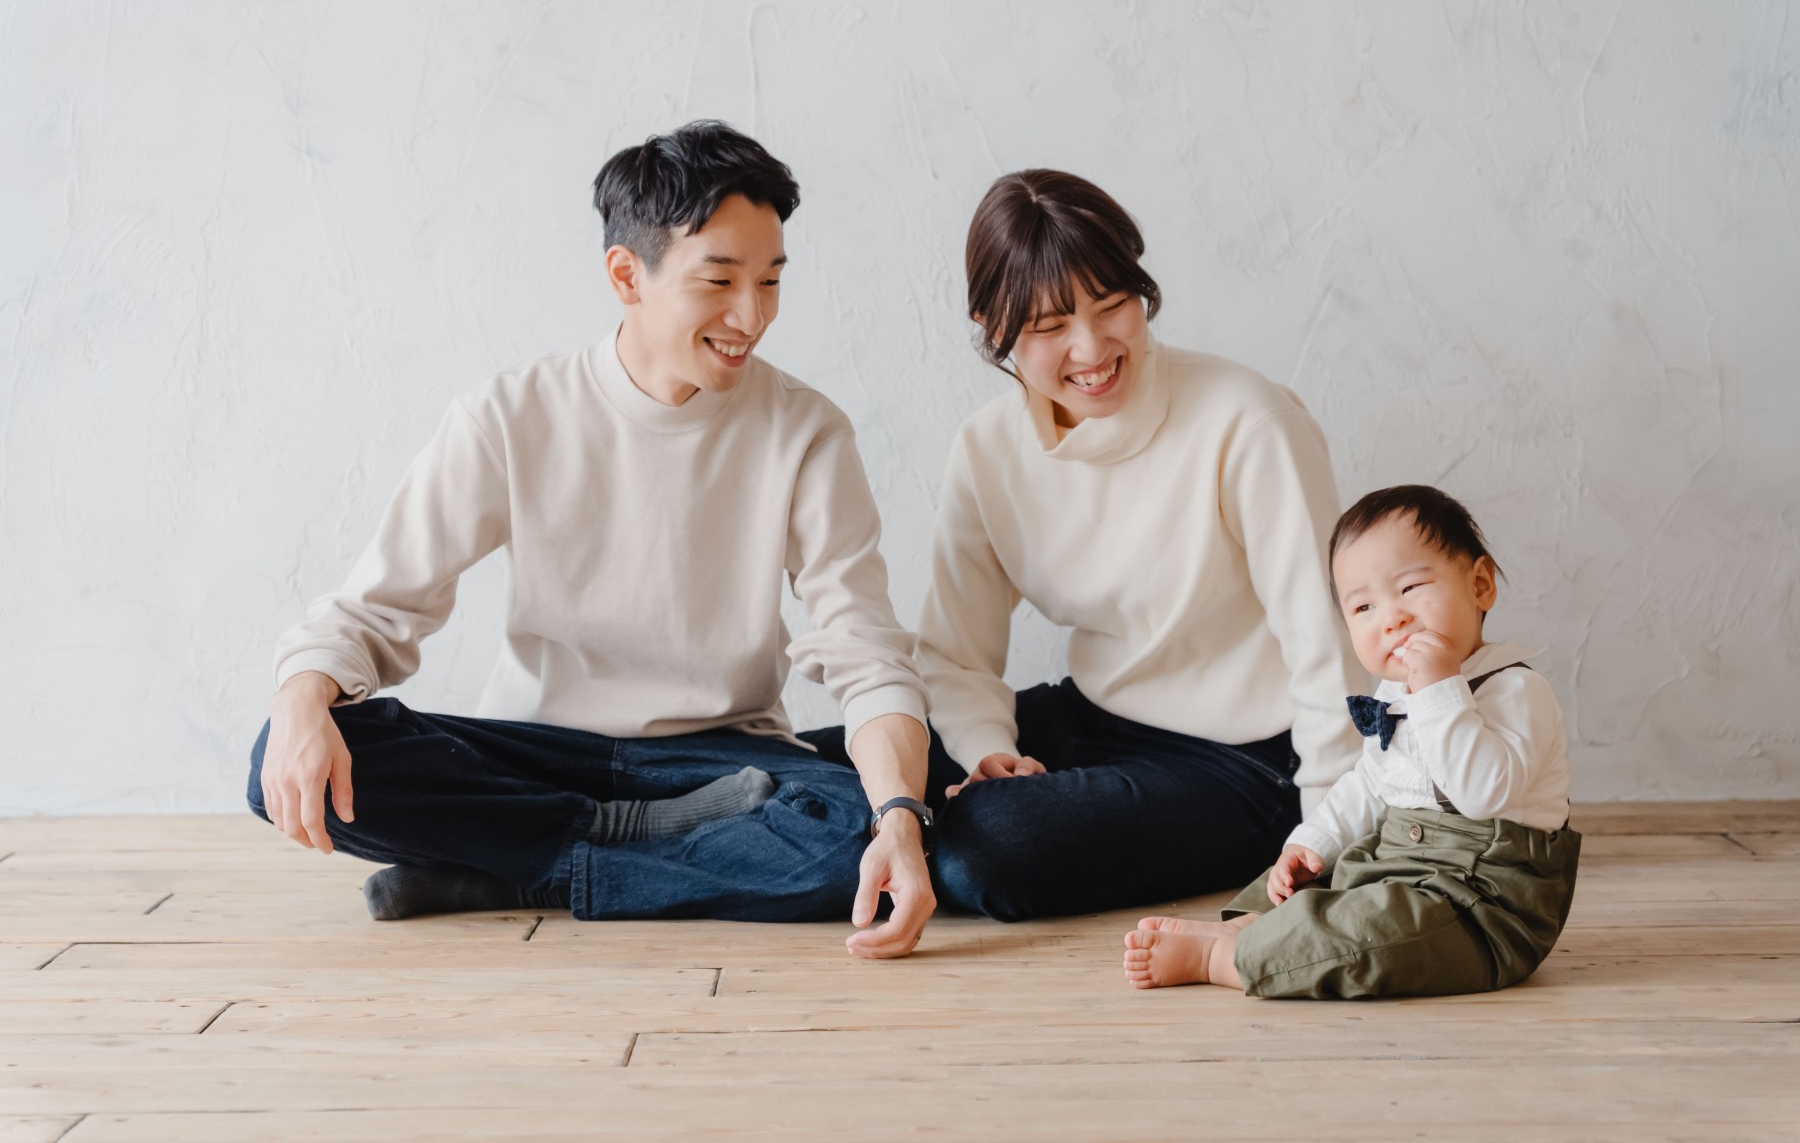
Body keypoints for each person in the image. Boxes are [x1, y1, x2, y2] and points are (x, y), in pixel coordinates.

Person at [249, 121, 936, 959]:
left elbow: (864, 645)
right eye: (719, 280)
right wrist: (299, 701)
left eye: (770, 280)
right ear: (626, 275)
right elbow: (375, 608)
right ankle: (623, 850)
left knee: (855, 821)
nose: (752, 314)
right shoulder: (510, 416)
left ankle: (513, 874)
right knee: (286, 755)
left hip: (719, 764)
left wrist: (900, 817)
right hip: (538, 754)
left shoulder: (807, 432)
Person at [914, 170, 1364, 922]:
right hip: (1094, 719)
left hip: (1247, 761)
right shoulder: (987, 449)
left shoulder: (1247, 421)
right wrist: (987, 748)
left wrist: (1323, 841)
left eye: (1112, 304)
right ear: (993, 326)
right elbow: (954, 655)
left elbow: (1331, 650)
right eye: (1050, 325)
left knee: (988, 844)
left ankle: (872, 846)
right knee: (849, 754)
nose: (1092, 348)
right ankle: (868, 835)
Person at [1122, 485, 1580, 997]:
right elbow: (1368, 784)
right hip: (1395, 861)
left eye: (1410, 588)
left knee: (1372, 929)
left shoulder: (1517, 690)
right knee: (1311, 871)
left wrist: (1439, 692)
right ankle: (1248, 926)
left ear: (1480, 585)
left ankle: (1225, 958)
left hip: (1479, 903)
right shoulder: (1395, 694)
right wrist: (1312, 841)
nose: (1392, 618)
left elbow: (1482, 795)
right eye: (1363, 607)